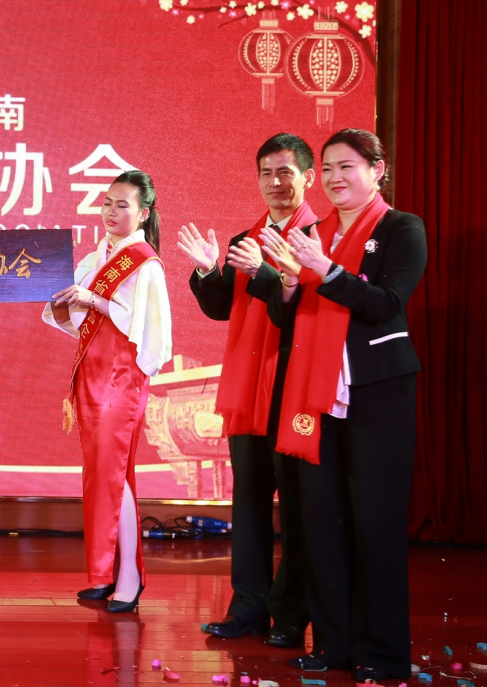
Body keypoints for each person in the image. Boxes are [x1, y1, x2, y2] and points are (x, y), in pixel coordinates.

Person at [260, 129, 426, 682]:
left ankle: (380, 654)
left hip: (377, 394)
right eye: (327, 168)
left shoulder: (401, 228)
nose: (333, 178)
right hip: (317, 394)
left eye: (346, 166)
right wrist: (287, 283)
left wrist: (326, 270)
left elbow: (385, 303)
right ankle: (332, 646)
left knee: (375, 526)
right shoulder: (313, 234)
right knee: (322, 523)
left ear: (377, 169)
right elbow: (284, 318)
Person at [176, 133, 315, 648]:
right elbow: (221, 307)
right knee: (250, 503)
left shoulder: (319, 238)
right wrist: (208, 269)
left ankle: (291, 615)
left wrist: (263, 271)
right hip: (247, 388)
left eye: (285, 172)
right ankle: (248, 609)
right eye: (266, 173)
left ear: (308, 177)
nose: (275, 183)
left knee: (298, 508)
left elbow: (302, 310)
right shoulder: (246, 238)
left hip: (294, 390)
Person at [44, 170, 172, 614]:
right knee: (100, 474)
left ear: (144, 213)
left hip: (121, 378)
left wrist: (94, 300)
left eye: (123, 205)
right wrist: (65, 297)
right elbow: (77, 317)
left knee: (113, 473)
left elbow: (149, 328)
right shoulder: (98, 255)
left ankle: (130, 579)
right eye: (107, 203)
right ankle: (106, 573)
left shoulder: (144, 262)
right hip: (91, 375)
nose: (111, 212)